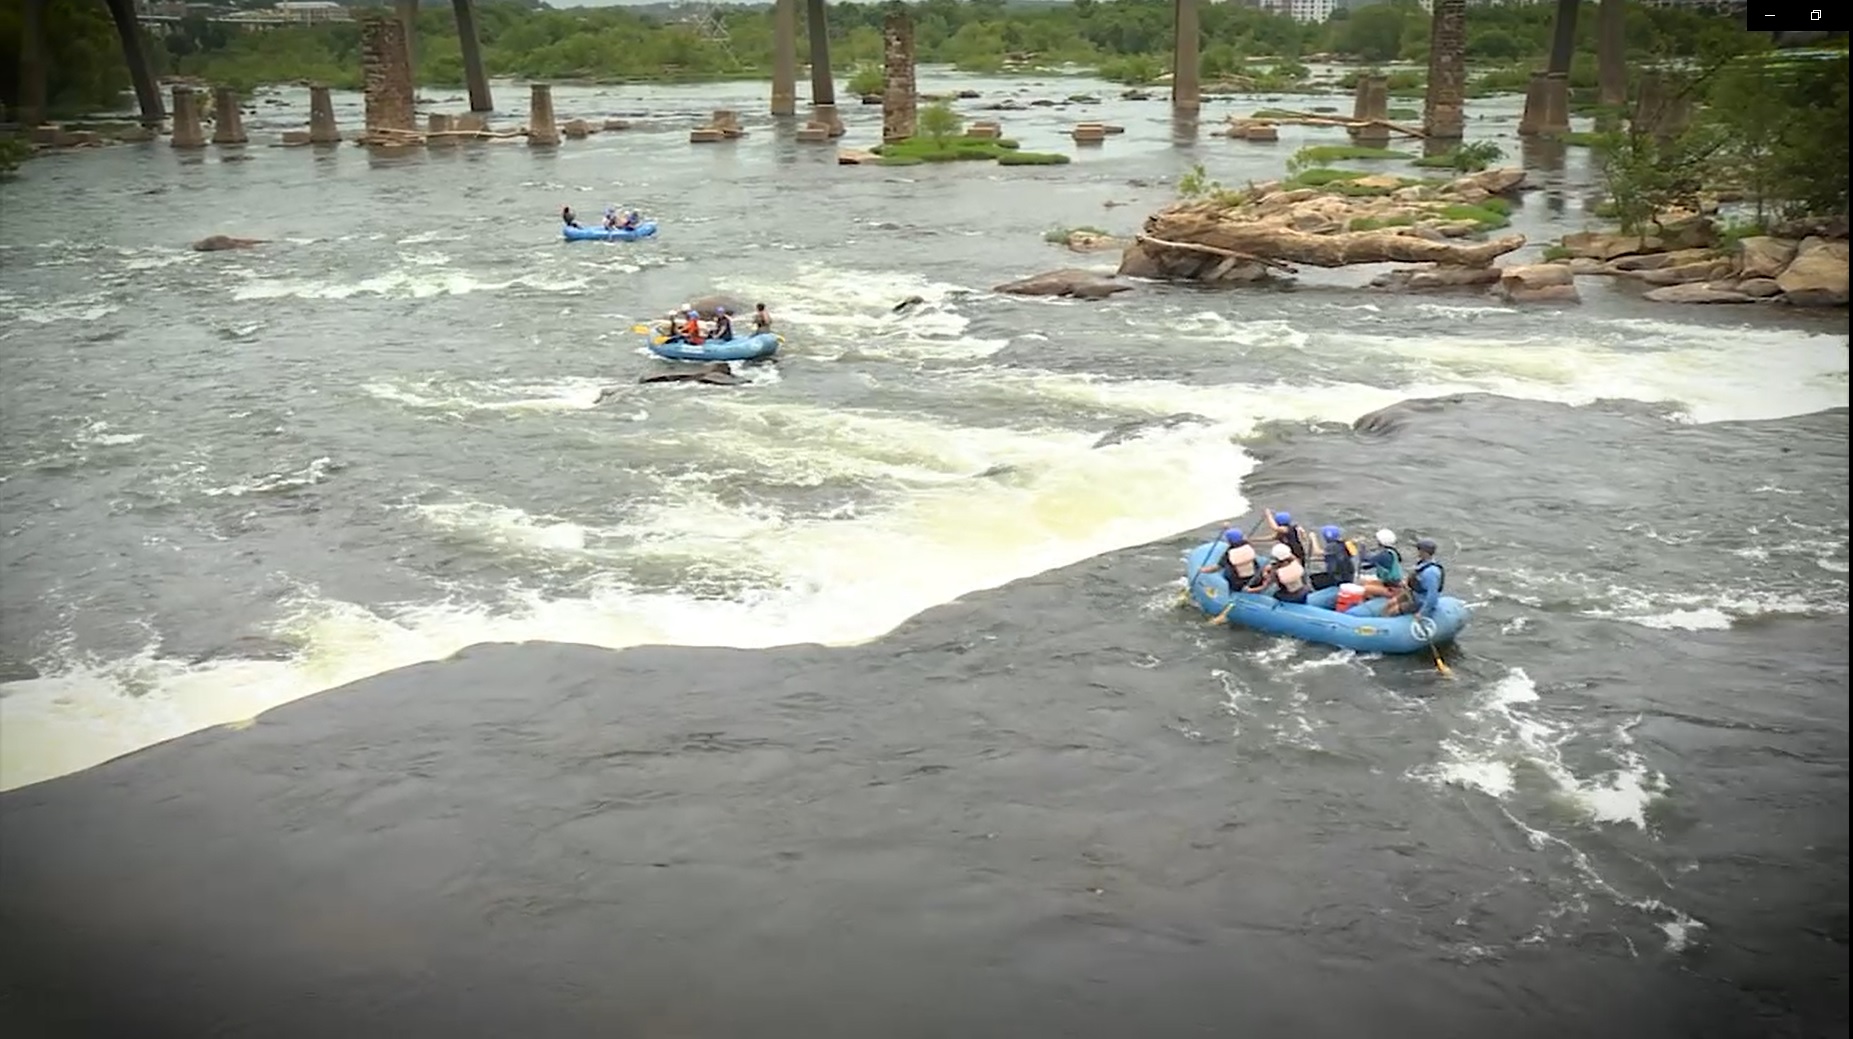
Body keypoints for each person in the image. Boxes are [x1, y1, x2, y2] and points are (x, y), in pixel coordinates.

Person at [1388, 538, 1445, 618]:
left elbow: (1432, 596)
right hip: (1413, 594)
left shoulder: (1431, 572)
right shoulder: (1422, 563)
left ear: (1424, 552)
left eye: (1419, 549)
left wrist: (1422, 613)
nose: (1417, 552)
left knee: (1393, 611)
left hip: (1420, 602)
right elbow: (1415, 576)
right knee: (1390, 603)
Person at [1359, 528, 1405, 600]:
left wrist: (1362, 547)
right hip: (1390, 584)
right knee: (1363, 581)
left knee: (1363, 589)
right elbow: (1378, 563)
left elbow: (1366, 558)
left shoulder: (1385, 555)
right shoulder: (1392, 552)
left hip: (1392, 588)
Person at [1310, 524, 1358, 591]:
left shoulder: (1332, 546)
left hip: (1338, 579)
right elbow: (1334, 557)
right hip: (1348, 575)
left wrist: (1313, 538)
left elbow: (1317, 552)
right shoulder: (1343, 544)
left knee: (1314, 580)